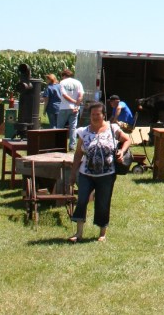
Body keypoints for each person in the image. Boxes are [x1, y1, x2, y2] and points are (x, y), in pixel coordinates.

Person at [68, 101, 130, 243]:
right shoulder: (84, 132)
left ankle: (102, 233)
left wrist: (121, 151)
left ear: (103, 115)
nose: (95, 117)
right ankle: (78, 233)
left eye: (98, 114)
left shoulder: (112, 129)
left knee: (103, 202)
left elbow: (127, 139)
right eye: (93, 114)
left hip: (107, 174)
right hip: (86, 174)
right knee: (82, 200)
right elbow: (78, 154)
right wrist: (73, 173)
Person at [55, 69, 84, 150]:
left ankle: (59, 145)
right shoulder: (78, 82)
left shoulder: (62, 82)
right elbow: (81, 95)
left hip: (64, 107)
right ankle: (72, 146)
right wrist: (77, 104)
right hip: (75, 108)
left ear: (63, 75)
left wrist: (73, 101)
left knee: (60, 127)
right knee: (73, 127)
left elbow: (64, 95)